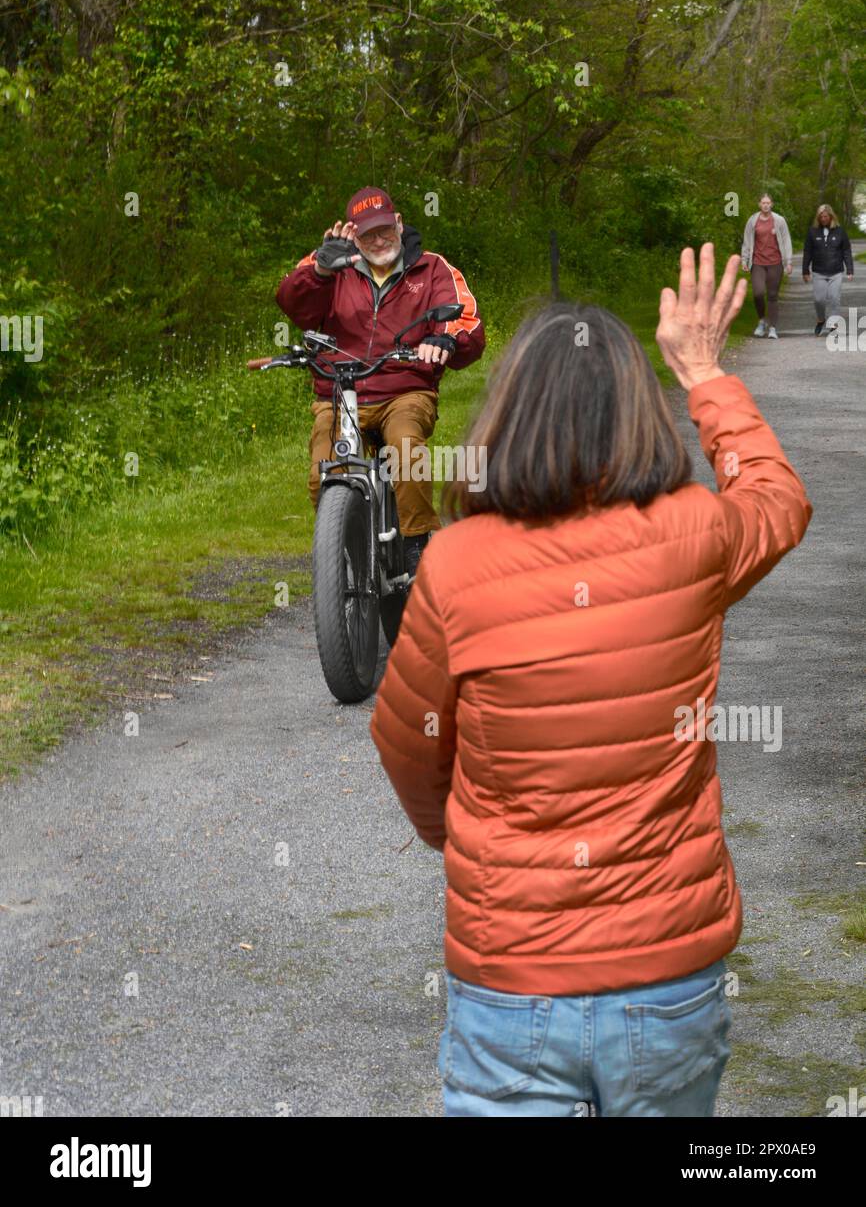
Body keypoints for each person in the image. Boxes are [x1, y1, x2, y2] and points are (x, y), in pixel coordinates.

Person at [369, 243, 812, 1118]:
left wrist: (467, 841)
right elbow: (778, 496)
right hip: (669, 978)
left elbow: (408, 745)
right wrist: (703, 372)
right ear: (638, 413)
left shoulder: (456, 565)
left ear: (509, 414)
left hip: (509, 981)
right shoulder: (694, 536)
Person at [276, 187, 485, 578]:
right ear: (354, 235)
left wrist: (445, 339)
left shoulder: (432, 268)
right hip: (339, 392)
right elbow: (292, 302)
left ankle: (415, 546)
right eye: (368, 234)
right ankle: (342, 565)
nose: (378, 240)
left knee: (406, 450)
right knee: (323, 469)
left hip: (404, 389)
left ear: (399, 224)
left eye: (385, 230)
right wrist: (320, 273)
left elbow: (466, 320)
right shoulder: (330, 262)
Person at [740, 193, 793, 339]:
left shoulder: (779, 221)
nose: (765, 205)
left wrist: (788, 262)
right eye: (763, 203)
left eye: (768, 203)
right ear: (759, 204)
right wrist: (744, 260)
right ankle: (761, 321)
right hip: (757, 262)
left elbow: (787, 241)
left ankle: (773, 328)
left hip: (775, 263)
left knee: (772, 295)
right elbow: (747, 241)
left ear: (772, 204)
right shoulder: (752, 221)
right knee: (758, 293)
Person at [802, 203, 854, 336]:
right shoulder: (812, 231)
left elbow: (846, 250)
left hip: (836, 271)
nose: (823, 219)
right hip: (819, 271)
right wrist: (805, 271)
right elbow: (807, 251)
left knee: (834, 298)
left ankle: (834, 324)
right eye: (821, 217)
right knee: (819, 299)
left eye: (825, 216)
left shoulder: (840, 231)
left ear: (831, 216)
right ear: (818, 218)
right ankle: (820, 319)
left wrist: (849, 269)